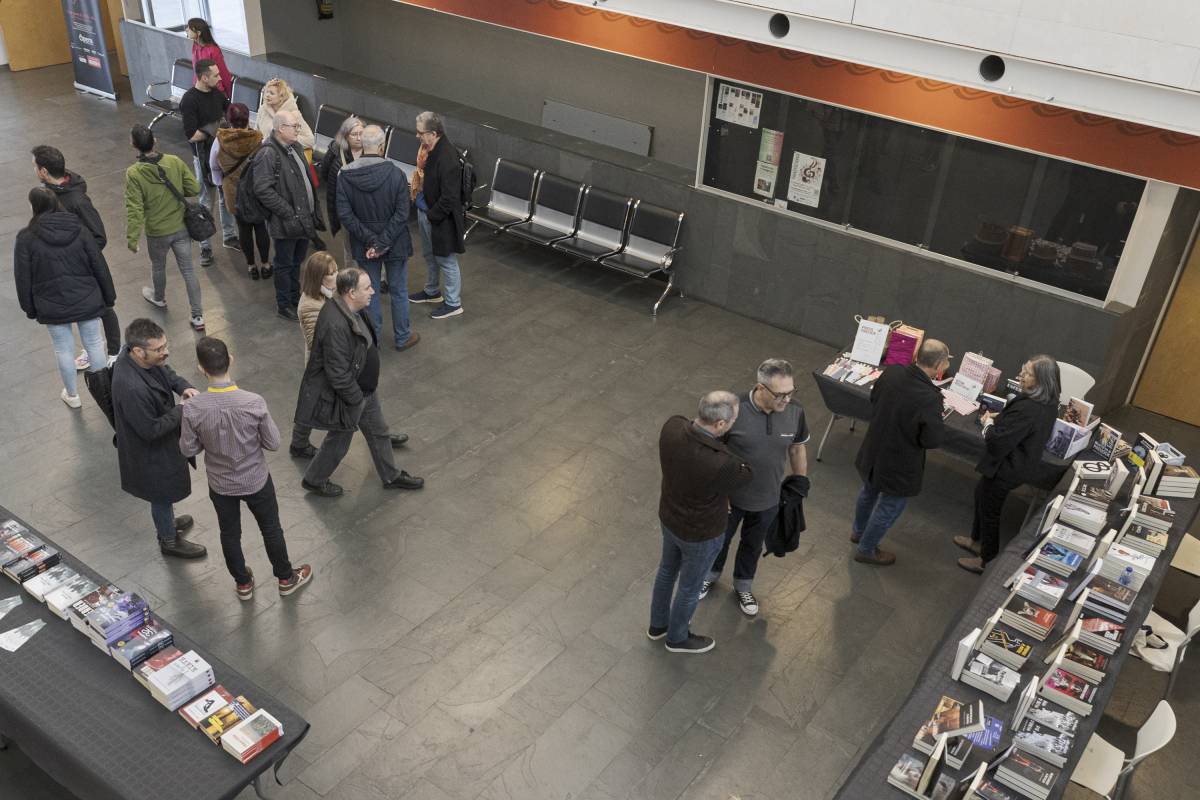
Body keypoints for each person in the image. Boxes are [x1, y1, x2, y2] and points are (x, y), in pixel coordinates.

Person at [180, 337, 313, 600]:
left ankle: (242, 583)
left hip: (220, 484)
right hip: (256, 479)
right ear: (230, 360)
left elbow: (188, 449)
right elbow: (273, 443)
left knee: (230, 534)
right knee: (271, 529)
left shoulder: (193, 408)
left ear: (201, 368)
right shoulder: (254, 402)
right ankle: (286, 578)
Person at [295, 268, 420, 496]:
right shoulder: (335, 324)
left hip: (363, 391)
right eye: (367, 288)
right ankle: (314, 480)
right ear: (351, 293)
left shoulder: (352, 309)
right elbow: (337, 373)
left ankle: (391, 476)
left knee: (378, 431)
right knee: (339, 441)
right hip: (353, 395)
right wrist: (356, 399)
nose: (373, 291)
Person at [701, 359, 809, 615]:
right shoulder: (733, 410)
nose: (786, 399)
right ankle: (709, 575)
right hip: (730, 498)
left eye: (791, 392)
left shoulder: (795, 411)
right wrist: (719, 493)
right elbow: (713, 452)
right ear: (760, 388)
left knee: (753, 544)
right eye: (780, 394)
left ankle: (743, 585)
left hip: (768, 499)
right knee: (719, 541)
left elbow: (797, 448)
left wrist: (800, 484)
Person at [651, 391, 753, 654]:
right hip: (701, 533)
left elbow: (688, 427)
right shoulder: (722, 463)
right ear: (720, 424)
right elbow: (746, 474)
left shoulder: (671, 427)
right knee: (689, 587)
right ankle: (677, 638)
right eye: (733, 421)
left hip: (669, 517)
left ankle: (657, 625)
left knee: (666, 571)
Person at [955, 355, 1061, 573]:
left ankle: (985, 557)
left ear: (1041, 381)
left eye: (1028, 373)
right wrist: (1003, 418)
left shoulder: (1028, 409)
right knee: (981, 495)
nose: (1021, 375)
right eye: (1023, 369)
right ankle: (976, 540)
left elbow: (997, 441)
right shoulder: (1049, 403)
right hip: (1017, 463)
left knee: (990, 509)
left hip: (1007, 468)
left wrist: (989, 423)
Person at [111, 318, 206, 559]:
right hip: (149, 452)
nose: (166, 352)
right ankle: (168, 539)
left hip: (160, 445)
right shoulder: (132, 388)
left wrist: (183, 387)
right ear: (138, 351)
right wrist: (182, 409)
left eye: (165, 345)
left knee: (163, 492)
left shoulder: (141, 359)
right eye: (159, 349)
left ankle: (168, 523)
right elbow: (150, 430)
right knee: (160, 494)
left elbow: (166, 371)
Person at [851, 340, 950, 566]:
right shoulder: (930, 398)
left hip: (874, 449)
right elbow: (931, 440)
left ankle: (859, 531)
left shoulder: (892, 373)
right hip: (899, 462)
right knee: (890, 505)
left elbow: (874, 398)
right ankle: (866, 549)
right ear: (938, 366)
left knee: (868, 491)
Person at [13, 187, 114, 409]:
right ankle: (104, 394)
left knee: (63, 349)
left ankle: (72, 395)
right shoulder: (80, 229)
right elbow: (99, 264)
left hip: (51, 304)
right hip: (87, 296)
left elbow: (22, 278)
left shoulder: (26, 238)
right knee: (95, 343)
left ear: (34, 206)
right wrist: (109, 296)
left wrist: (29, 308)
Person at [31, 144, 120, 369]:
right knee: (83, 308)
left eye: (35, 166)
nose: (34, 170)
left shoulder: (77, 200)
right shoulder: (48, 194)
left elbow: (99, 236)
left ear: (43, 171)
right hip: (66, 265)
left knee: (104, 306)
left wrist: (79, 255)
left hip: (85, 265)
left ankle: (114, 352)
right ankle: (92, 349)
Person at [335, 124, 418, 350]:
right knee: (399, 291)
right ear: (382, 146)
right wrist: (383, 241)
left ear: (363, 145)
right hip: (395, 244)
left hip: (365, 247)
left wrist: (372, 242)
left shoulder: (345, 175)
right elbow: (402, 213)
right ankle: (403, 337)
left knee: (367, 293)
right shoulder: (397, 174)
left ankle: (372, 339)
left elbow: (345, 215)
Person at [124, 124, 207, 331]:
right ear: (155, 141)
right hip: (181, 228)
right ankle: (198, 316)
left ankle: (159, 298)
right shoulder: (174, 161)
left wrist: (132, 238)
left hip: (157, 232)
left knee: (158, 266)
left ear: (133, 145)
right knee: (188, 270)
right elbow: (194, 188)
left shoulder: (134, 173)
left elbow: (135, 208)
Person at [253, 109, 324, 321]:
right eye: (295, 126)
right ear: (280, 128)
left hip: (303, 219)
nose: (298, 130)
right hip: (287, 222)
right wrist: (288, 212)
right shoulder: (268, 153)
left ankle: (295, 297)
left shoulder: (295, 147)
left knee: (297, 261)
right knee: (284, 264)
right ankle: (284, 304)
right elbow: (262, 189)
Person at [407, 111, 464, 320]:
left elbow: (450, 197)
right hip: (428, 212)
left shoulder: (447, 157)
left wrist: (431, 215)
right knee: (430, 255)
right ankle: (432, 292)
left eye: (420, 132)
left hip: (440, 218)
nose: (417, 136)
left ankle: (453, 303)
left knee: (446, 260)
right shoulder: (431, 149)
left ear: (433, 133)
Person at [180, 58, 236, 262]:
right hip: (203, 159)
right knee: (206, 201)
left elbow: (229, 113)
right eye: (216, 75)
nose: (220, 78)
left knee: (225, 196)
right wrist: (216, 128)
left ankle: (229, 236)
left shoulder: (217, 94)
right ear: (204, 77)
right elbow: (192, 135)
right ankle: (205, 247)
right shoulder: (189, 100)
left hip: (222, 155)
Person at [210, 103, 269, 279]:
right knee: (260, 227)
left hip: (233, 191)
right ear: (247, 119)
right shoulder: (258, 138)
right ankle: (266, 264)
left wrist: (220, 183)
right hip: (256, 190)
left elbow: (213, 165)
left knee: (243, 228)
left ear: (229, 120)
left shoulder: (220, 139)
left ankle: (251, 266)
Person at [290, 251, 339, 459]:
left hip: (333, 361)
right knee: (312, 403)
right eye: (331, 273)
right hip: (322, 364)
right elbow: (317, 343)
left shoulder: (330, 292)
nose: (337, 276)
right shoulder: (310, 305)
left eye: (336, 270)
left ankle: (379, 432)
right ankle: (299, 444)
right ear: (319, 278)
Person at [319, 115, 364, 257]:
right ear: (346, 136)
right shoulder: (336, 152)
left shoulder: (370, 150)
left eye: (361, 133)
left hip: (366, 207)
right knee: (350, 247)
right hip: (346, 209)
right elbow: (325, 173)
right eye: (354, 134)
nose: (359, 138)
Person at [255, 78, 314, 151]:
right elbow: (256, 133)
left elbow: (310, 140)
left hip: (282, 155)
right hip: (263, 152)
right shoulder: (263, 109)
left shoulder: (293, 115)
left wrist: (287, 140)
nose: (267, 95)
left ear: (281, 97)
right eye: (267, 92)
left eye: (272, 93)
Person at [186, 17, 232, 96]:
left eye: (189, 28)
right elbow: (196, 71)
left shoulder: (213, 50)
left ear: (199, 33)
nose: (186, 29)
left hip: (215, 92)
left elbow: (223, 73)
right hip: (200, 90)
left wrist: (229, 95)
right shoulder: (195, 46)